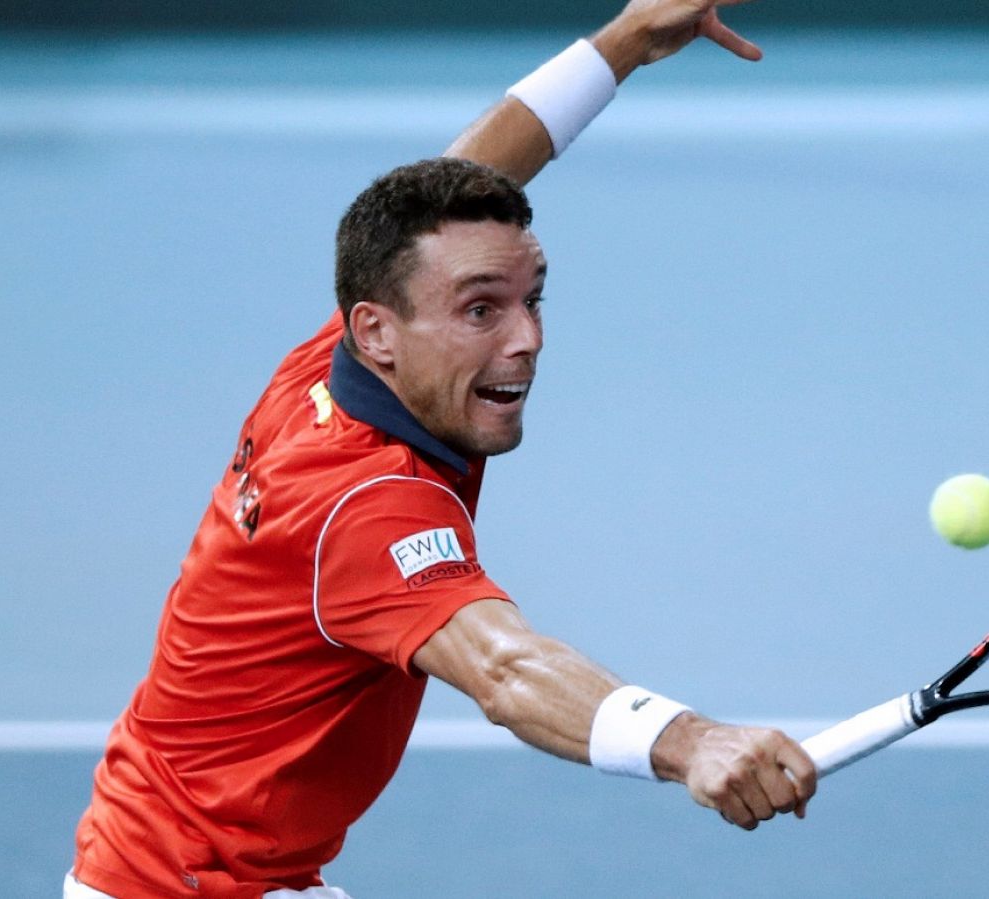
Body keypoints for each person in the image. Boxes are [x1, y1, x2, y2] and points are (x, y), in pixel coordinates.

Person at [66, 2, 817, 896]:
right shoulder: (371, 508)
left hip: (168, 857)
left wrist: (620, 45)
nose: (527, 337)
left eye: (532, 297)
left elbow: (456, 184)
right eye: (480, 309)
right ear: (380, 331)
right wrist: (691, 740)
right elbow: (505, 668)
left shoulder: (338, 357)